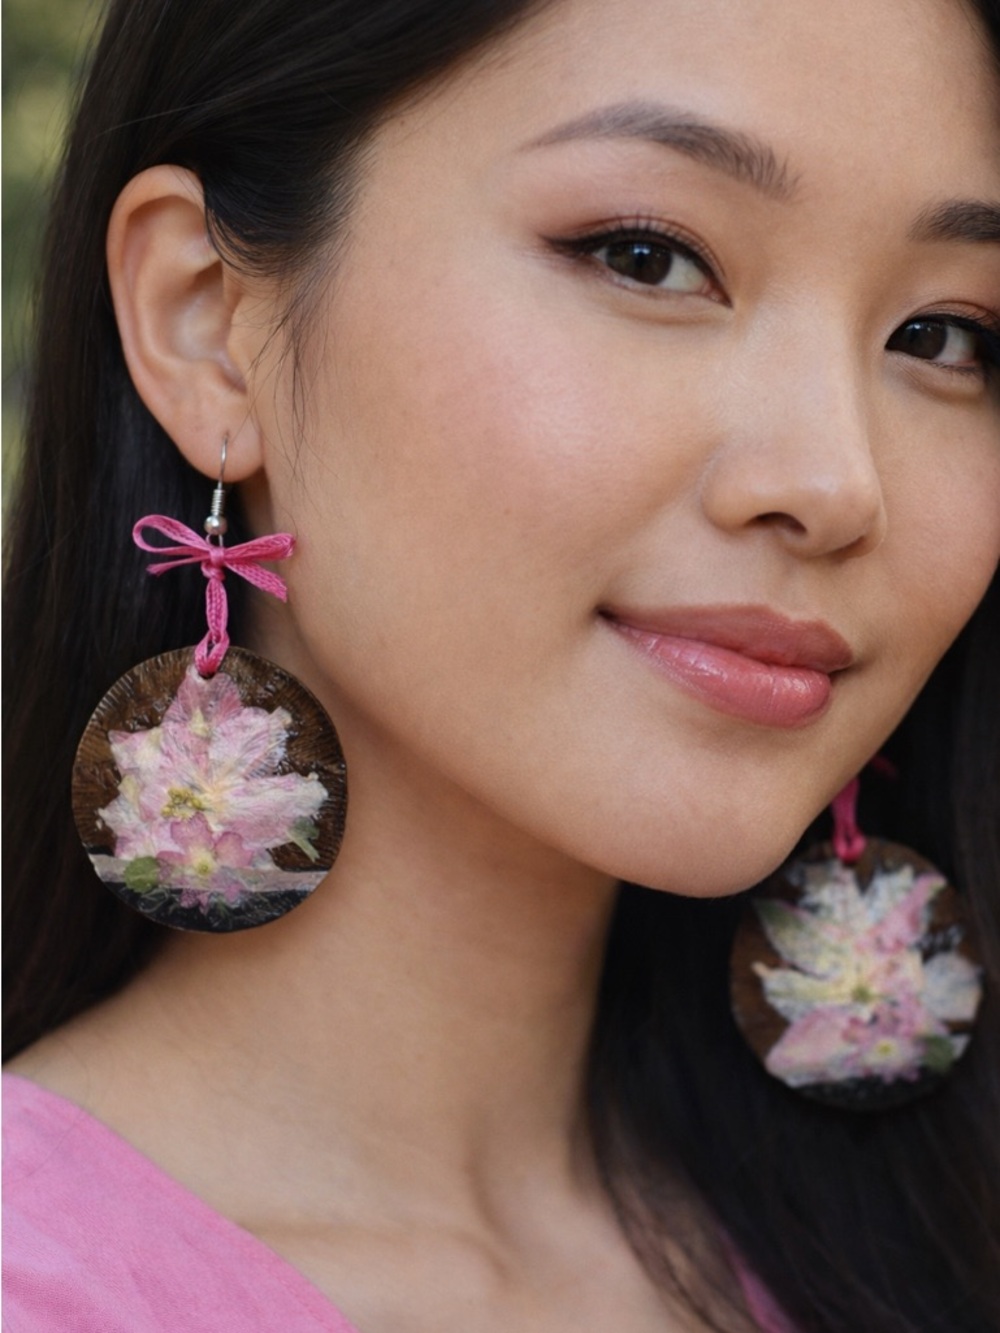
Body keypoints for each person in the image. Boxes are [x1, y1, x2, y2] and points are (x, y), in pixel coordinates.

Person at [3, 0, 999, 1328]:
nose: (834, 482)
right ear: (207, 323)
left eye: (944, 337)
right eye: (646, 255)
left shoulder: (926, 1239)